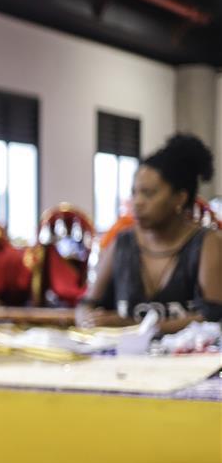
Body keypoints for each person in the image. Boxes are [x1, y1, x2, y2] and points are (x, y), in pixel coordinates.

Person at [79, 134, 222, 334]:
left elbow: (213, 317)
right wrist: (88, 319)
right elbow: (86, 305)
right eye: (134, 192)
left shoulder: (206, 243)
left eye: (148, 193)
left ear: (180, 198)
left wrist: (134, 327)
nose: (137, 202)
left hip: (186, 361)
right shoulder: (122, 243)